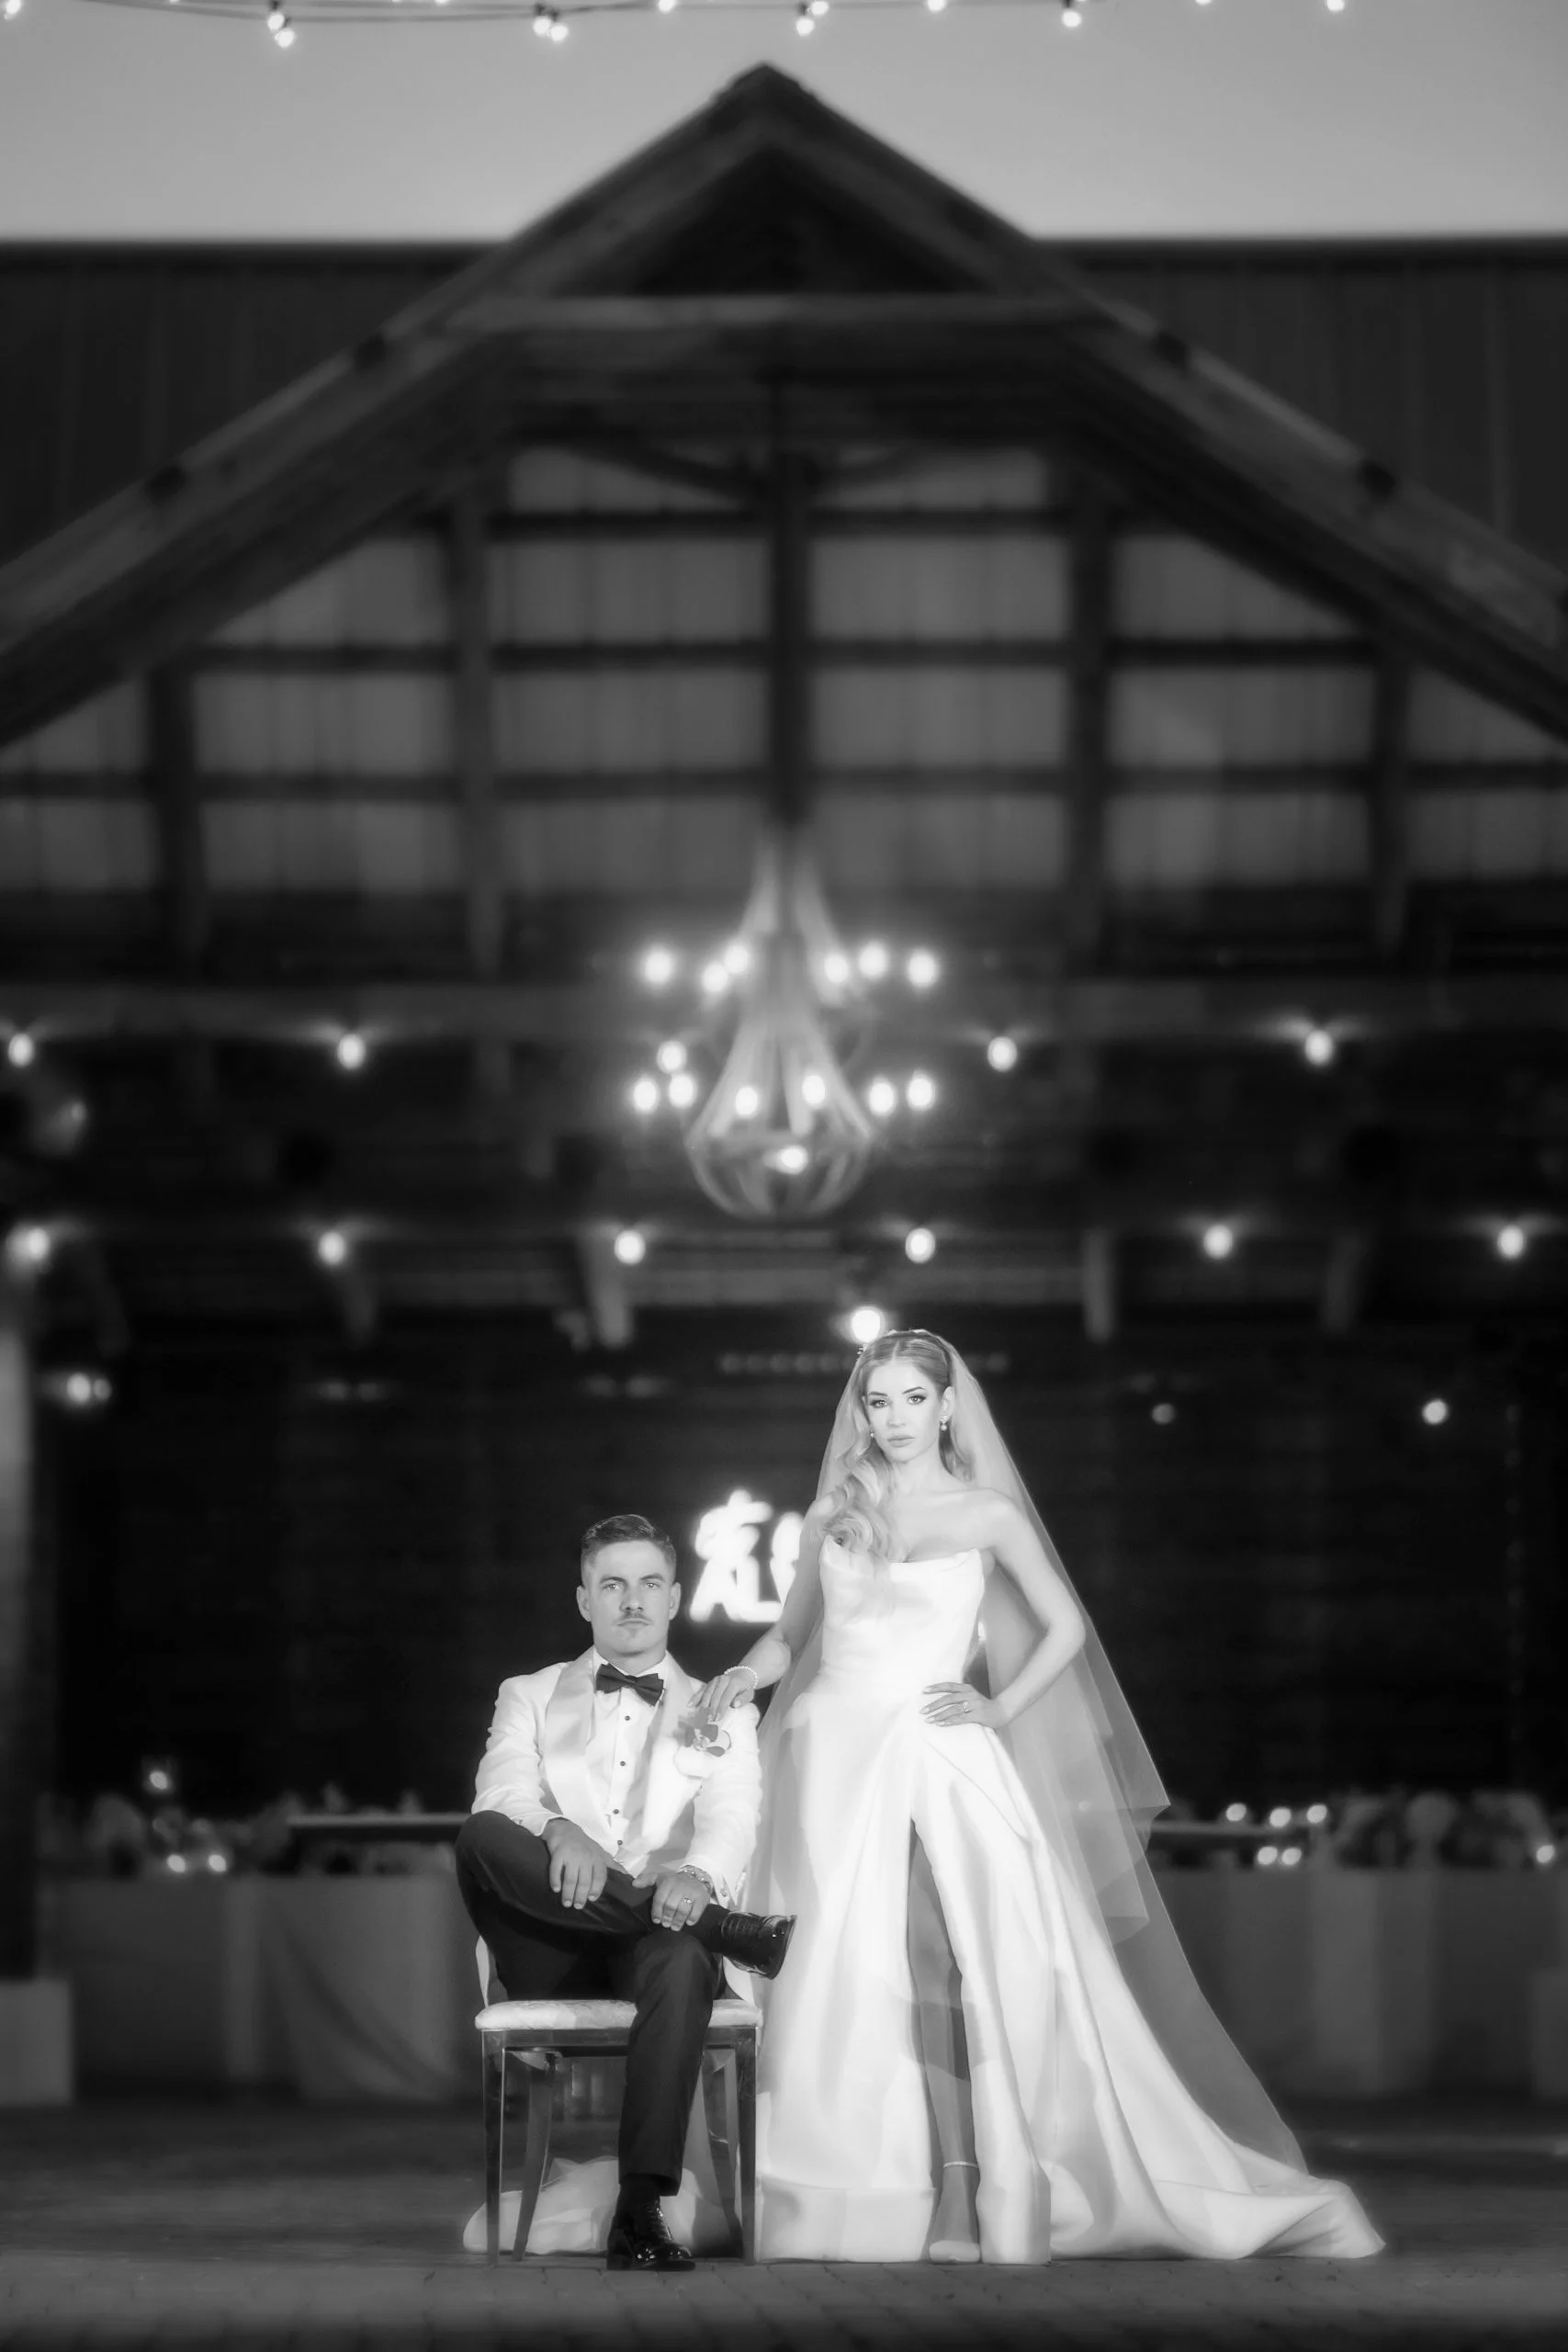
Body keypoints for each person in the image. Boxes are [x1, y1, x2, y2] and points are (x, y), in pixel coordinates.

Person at [697, 1333, 1382, 2264]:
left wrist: (999, 1705)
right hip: (831, 1753)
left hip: (936, 1746)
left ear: (947, 1407)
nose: (892, 1418)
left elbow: (1066, 1625)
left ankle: (962, 2185)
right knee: (842, 1969)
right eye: (877, 1401)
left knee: (937, 1951)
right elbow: (791, 1634)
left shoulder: (986, 1513)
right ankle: (852, 2181)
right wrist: (745, 1672)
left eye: (910, 1398)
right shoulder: (833, 1512)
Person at [455, 1513, 794, 2271]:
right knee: (481, 1836)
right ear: (584, 1601)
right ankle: (726, 1929)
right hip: (555, 1939)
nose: (631, 1601)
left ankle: (640, 2213)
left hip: (660, 1936)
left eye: (647, 1585)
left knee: (678, 1959)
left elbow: (733, 1816)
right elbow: (502, 1786)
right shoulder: (529, 1693)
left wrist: (698, 1877)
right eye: (612, 1585)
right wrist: (556, 1830)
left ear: (674, 1598)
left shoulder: (722, 1705)